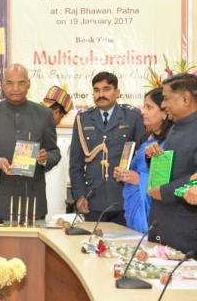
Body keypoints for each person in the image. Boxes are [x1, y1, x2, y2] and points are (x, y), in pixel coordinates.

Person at [0, 63, 61, 222]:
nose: (16, 88)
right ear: (2, 84)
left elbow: (54, 152)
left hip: (32, 202)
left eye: (21, 83)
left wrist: (45, 158)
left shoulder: (44, 114)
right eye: (10, 83)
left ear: (28, 84)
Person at [69, 71, 145, 225]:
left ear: (117, 92)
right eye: (96, 90)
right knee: (94, 239)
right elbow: (76, 163)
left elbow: (143, 157)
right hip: (93, 199)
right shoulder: (83, 119)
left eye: (106, 89)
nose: (101, 95)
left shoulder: (132, 117)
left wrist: (140, 185)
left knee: (127, 240)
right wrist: (80, 195)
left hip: (124, 196)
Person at [147, 73, 197, 254]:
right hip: (164, 225)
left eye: (167, 98)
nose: (162, 105)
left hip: (185, 231)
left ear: (185, 99)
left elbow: (194, 179)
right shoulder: (176, 126)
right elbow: (176, 168)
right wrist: (153, 157)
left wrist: (164, 191)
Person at [113, 87, 172, 232]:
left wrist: (139, 180)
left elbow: (171, 183)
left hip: (153, 211)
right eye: (144, 106)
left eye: (149, 107)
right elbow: (137, 169)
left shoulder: (172, 142)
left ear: (165, 112)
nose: (142, 111)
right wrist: (124, 174)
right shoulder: (145, 138)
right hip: (135, 204)